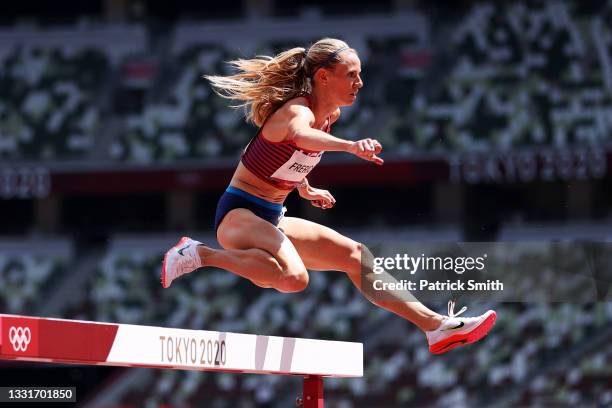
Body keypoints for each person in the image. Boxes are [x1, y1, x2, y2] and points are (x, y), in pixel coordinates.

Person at [161, 38, 496, 354]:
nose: (360, 83)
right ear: (323, 77)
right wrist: (350, 147)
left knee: (355, 255)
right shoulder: (298, 112)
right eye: (351, 75)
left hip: (271, 215)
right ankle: (200, 254)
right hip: (239, 214)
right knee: (294, 279)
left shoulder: (329, 116)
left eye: (360, 74)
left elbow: (286, 156)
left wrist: (304, 187)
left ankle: (435, 327)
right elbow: (300, 136)